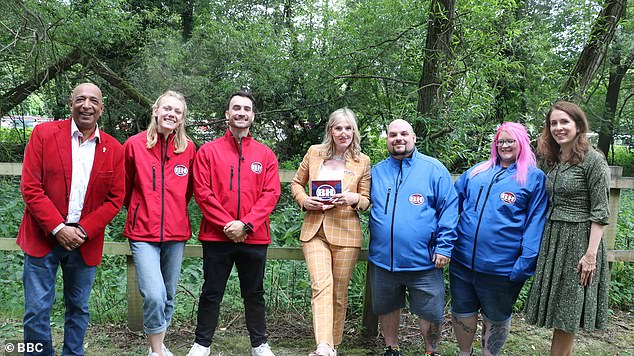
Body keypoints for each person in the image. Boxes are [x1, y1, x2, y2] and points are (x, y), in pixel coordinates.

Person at [17, 82, 125, 355]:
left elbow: (115, 199)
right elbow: (31, 187)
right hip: (43, 236)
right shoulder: (43, 134)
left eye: (93, 101)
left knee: (78, 307)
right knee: (36, 309)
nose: (86, 105)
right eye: (80, 99)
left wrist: (83, 230)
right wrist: (57, 228)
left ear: (102, 108)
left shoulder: (113, 148)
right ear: (70, 104)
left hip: (84, 242)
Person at [186, 91, 281, 356]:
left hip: (255, 237)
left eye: (246, 108)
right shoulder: (208, 151)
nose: (241, 112)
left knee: (254, 293)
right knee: (211, 292)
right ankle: (202, 344)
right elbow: (202, 192)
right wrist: (229, 224)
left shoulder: (265, 155)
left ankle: (259, 344)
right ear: (227, 114)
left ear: (252, 115)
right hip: (217, 237)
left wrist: (247, 225)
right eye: (236, 108)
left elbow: (271, 194)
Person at [450, 122, 548, 356]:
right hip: (462, 263)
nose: (504, 145)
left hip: (501, 268)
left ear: (521, 143)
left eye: (510, 141)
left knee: (496, 317)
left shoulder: (533, 178)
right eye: (500, 141)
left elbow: (535, 223)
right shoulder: (476, 172)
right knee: (463, 311)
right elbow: (453, 204)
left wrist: (524, 264)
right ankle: (465, 353)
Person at [524, 101, 611, 356]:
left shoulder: (593, 160)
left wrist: (590, 255)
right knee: (560, 311)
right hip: (554, 239)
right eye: (554, 123)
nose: (559, 127)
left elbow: (601, 212)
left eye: (565, 122)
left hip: (580, 242)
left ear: (578, 125)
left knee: (567, 311)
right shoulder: (553, 159)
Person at [368, 119, 459, 356]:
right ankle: (392, 349)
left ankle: (431, 352)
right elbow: (361, 200)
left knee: (431, 310)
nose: (398, 138)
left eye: (404, 134)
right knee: (386, 306)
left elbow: (449, 208)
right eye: (392, 134)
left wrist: (445, 246)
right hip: (383, 259)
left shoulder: (433, 169)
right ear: (387, 139)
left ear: (414, 137)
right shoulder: (376, 173)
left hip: (424, 260)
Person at [290, 108, 371, 356]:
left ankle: (333, 345)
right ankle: (323, 345)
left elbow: (367, 201)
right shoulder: (315, 153)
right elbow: (296, 183)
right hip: (314, 230)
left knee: (339, 292)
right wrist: (305, 201)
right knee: (321, 285)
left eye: (348, 128)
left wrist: (353, 197)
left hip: (346, 234)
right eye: (338, 128)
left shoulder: (363, 161)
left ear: (354, 132)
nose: (343, 133)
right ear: (330, 131)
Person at [123, 91, 196, 356]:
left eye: (177, 111)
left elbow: (187, 192)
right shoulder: (133, 145)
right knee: (153, 293)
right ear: (155, 110)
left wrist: (173, 211)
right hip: (143, 232)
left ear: (182, 118)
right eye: (167, 109)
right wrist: (141, 209)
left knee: (168, 295)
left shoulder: (188, 149)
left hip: (176, 233)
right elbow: (125, 188)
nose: (171, 114)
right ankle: (156, 351)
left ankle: (158, 346)